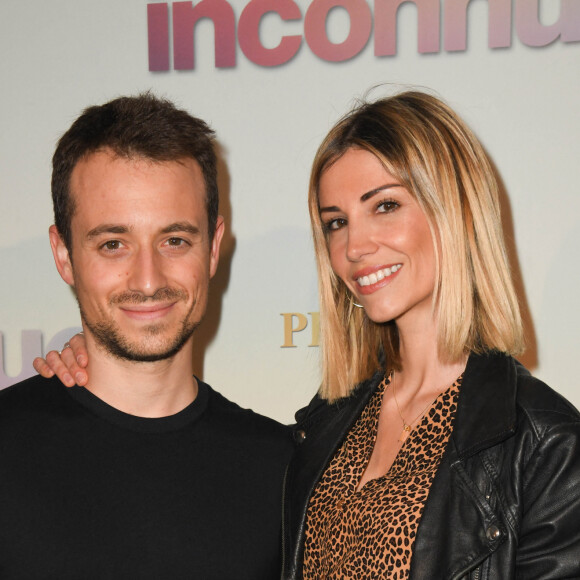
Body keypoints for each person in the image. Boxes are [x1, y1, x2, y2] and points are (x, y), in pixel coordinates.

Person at [37, 91, 580, 578]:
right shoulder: (326, 425)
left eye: (384, 206)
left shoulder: (543, 444)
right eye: (336, 222)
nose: (355, 246)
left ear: (456, 210)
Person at [2, 93, 293, 579]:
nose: (147, 279)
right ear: (64, 254)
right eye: (113, 244)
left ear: (214, 247)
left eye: (174, 240)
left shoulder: (284, 469)